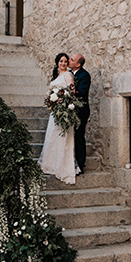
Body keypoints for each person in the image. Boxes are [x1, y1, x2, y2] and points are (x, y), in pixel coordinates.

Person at [39, 53, 77, 184]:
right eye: (61, 61)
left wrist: (64, 102)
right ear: (57, 63)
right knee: (52, 137)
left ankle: (62, 166)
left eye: (65, 61)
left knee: (63, 137)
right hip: (55, 113)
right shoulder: (56, 77)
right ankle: (51, 165)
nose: (63, 63)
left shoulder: (68, 74)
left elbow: (72, 90)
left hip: (64, 111)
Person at [69, 54, 90, 174]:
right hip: (69, 110)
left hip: (80, 111)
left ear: (78, 64)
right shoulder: (68, 73)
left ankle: (80, 165)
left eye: (72, 60)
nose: (69, 61)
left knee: (79, 136)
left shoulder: (84, 75)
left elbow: (81, 92)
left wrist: (67, 94)